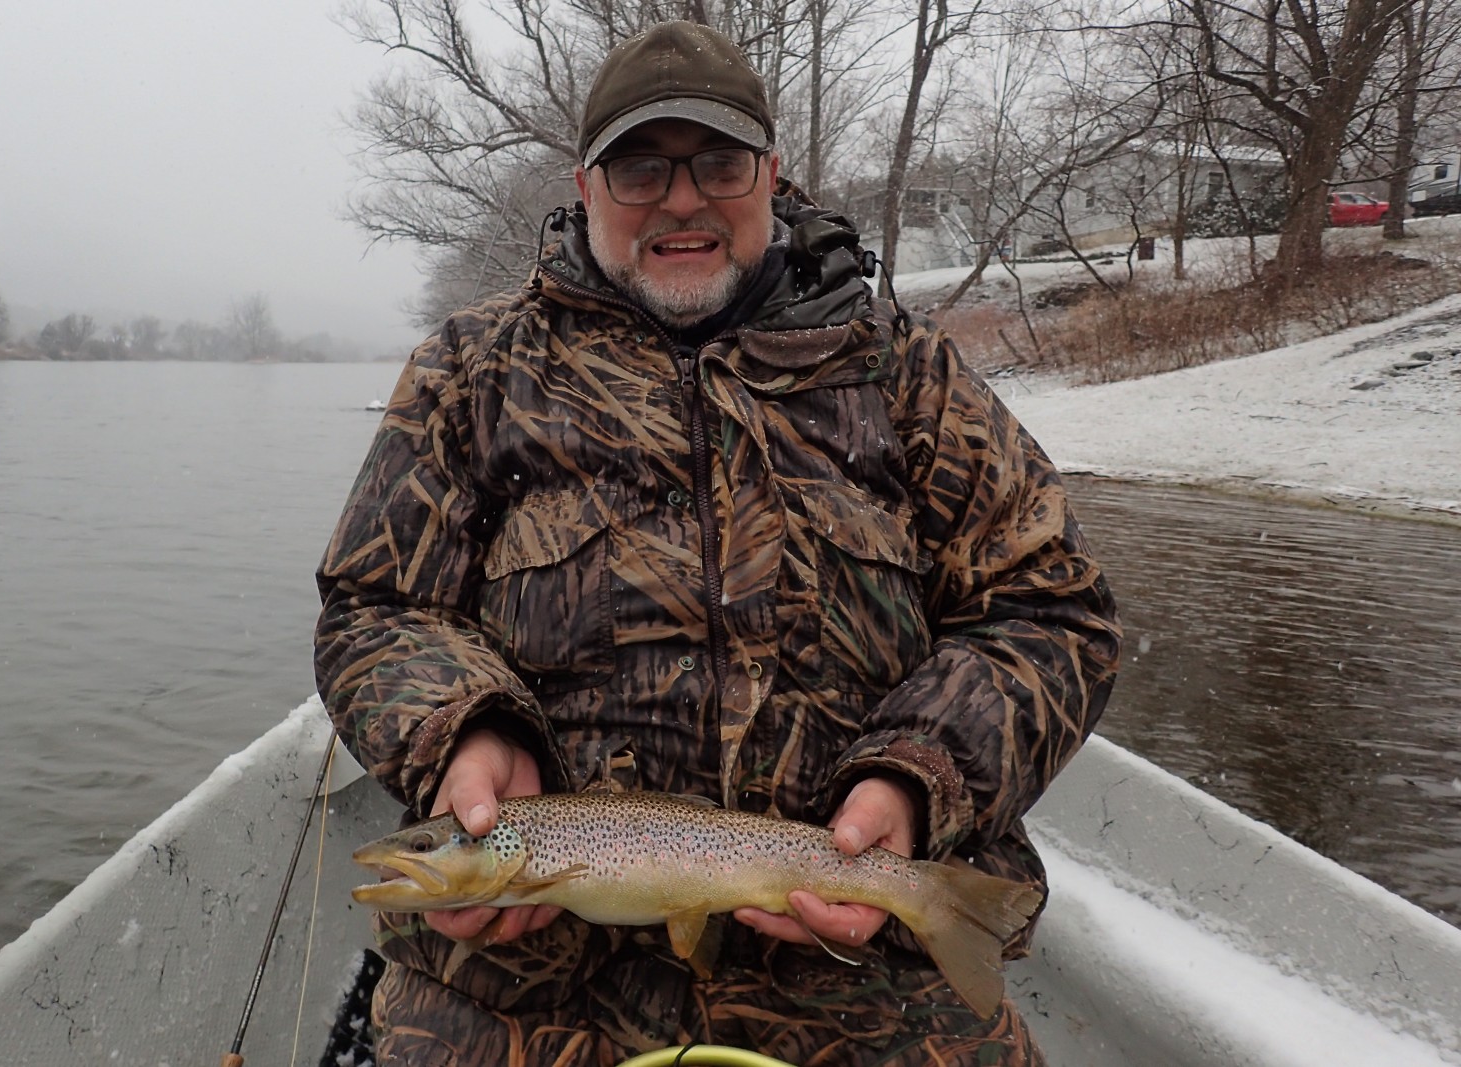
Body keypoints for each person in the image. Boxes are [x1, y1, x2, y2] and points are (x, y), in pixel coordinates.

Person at [315, 19, 1120, 1067]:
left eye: (719, 163)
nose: (682, 198)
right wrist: (462, 733)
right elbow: (374, 608)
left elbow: (1052, 613)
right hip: (516, 1004)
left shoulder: (905, 375)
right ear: (587, 182)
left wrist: (918, 780)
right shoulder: (474, 372)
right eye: (641, 166)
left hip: (867, 995)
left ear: (771, 174)